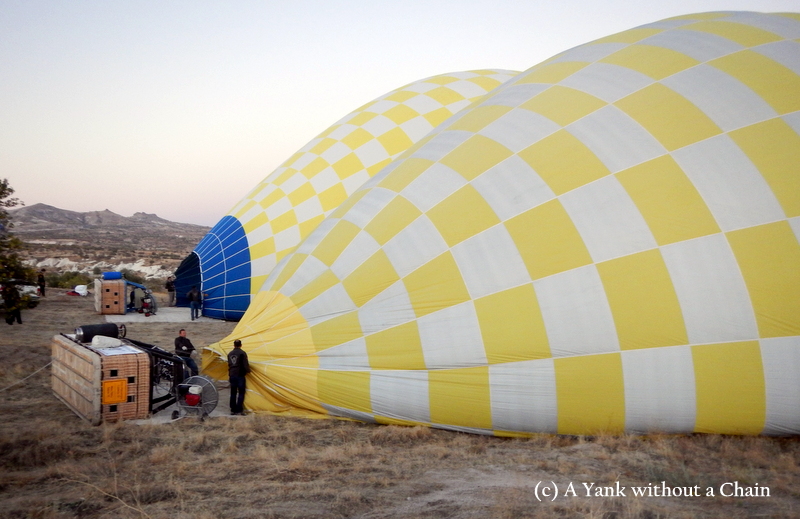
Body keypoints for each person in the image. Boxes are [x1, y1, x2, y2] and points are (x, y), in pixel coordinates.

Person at [227, 339, 250, 415]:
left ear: (234, 345)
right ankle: (239, 409)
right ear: (241, 345)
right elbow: (245, 364)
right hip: (240, 375)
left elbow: (229, 364)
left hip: (232, 375)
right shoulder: (242, 353)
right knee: (241, 393)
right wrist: (248, 371)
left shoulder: (230, 354)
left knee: (233, 392)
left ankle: (233, 410)